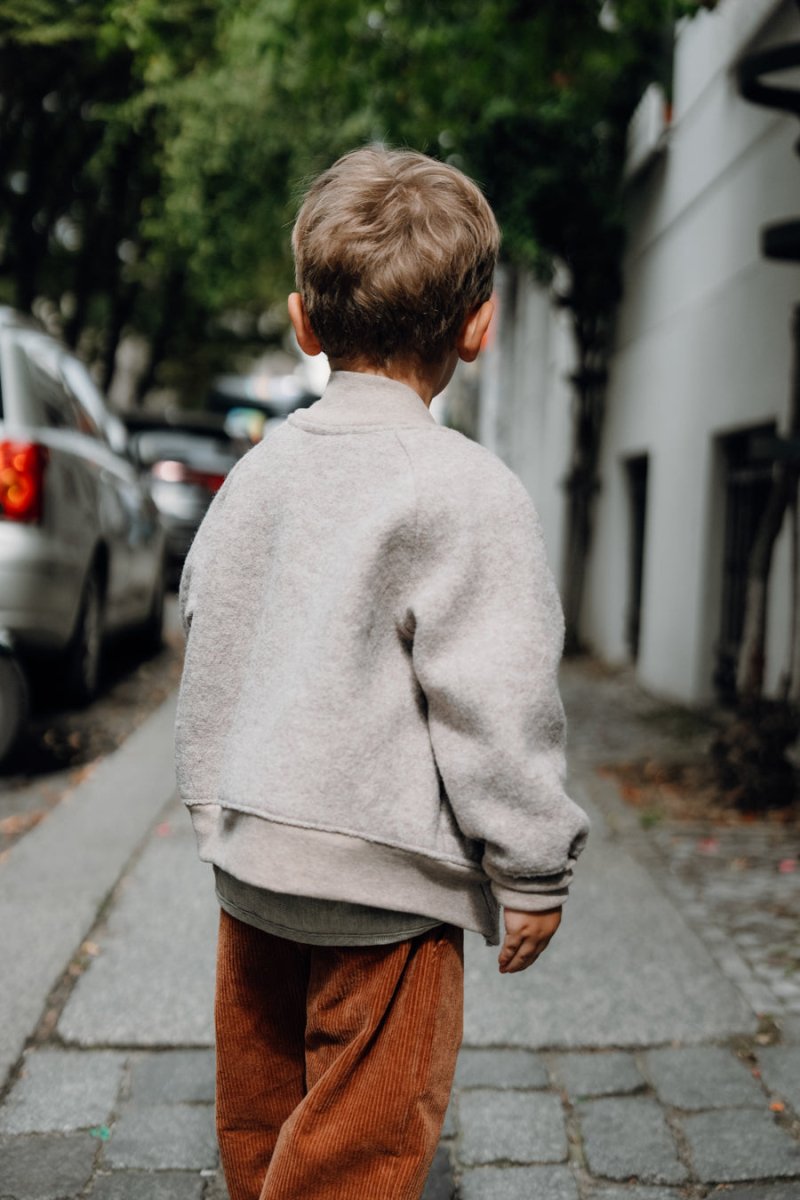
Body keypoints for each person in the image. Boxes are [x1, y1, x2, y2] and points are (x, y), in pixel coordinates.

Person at [175, 145, 590, 1200]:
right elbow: (494, 698)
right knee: (360, 1141)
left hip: (255, 866)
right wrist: (530, 865)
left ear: (302, 323)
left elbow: (209, 629)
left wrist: (218, 804)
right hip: (385, 893)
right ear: (477, 327)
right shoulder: (466, 493)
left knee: (262, 1115)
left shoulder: (257, 475)